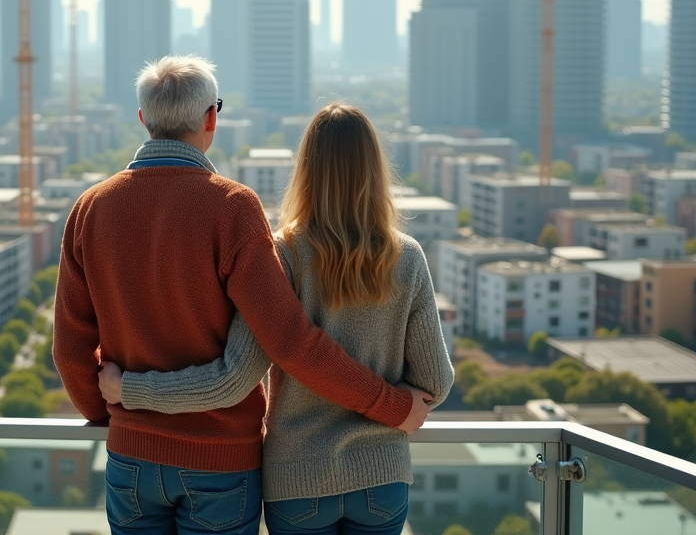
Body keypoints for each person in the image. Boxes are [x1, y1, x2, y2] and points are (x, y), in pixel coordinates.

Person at [53, 57, 433, 535]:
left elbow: (69, 352)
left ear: (143, 119)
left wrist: (116, 411)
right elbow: (288, 346)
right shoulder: (232, 207)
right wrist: (390, 405)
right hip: (220, 465)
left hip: (130, 461)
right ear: (211, 118)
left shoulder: (90, 208)